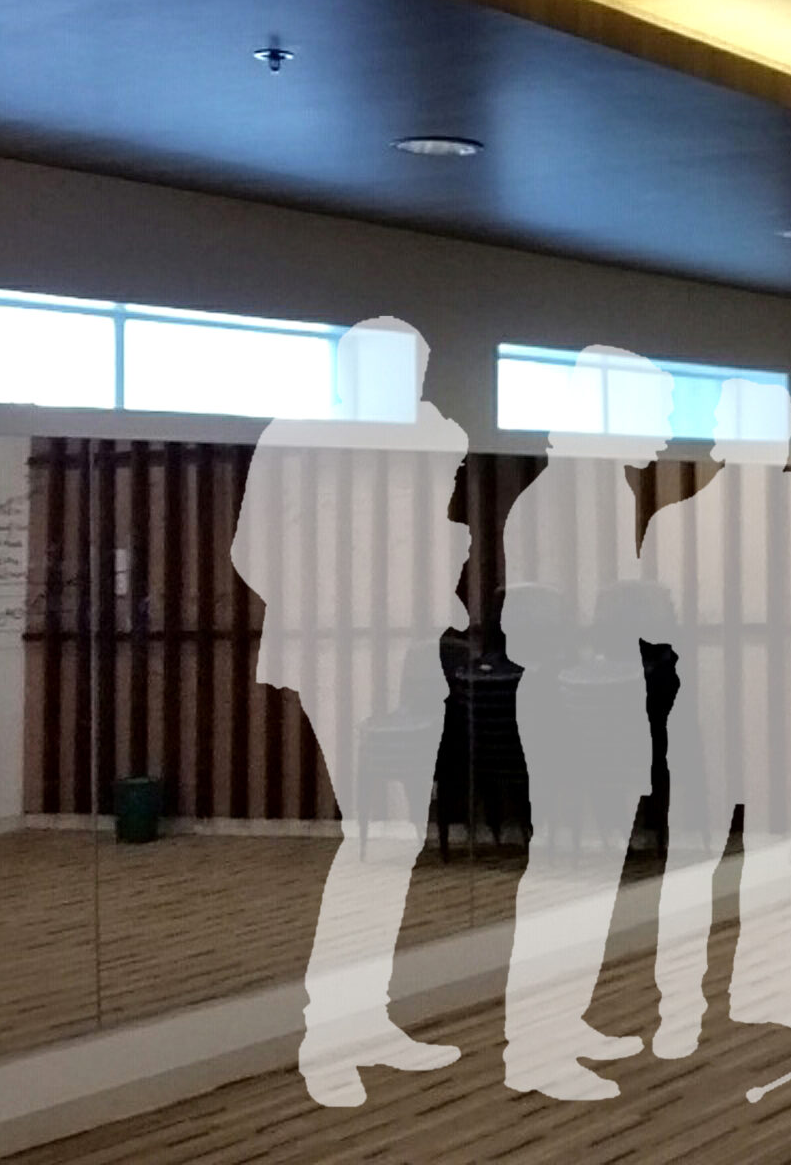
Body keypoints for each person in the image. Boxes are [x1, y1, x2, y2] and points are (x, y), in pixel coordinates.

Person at [231, 316, 471, 1108]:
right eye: (397, 371)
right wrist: (345, 600)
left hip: (411, 653)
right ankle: (328, 1033)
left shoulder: (431, 438)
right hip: (340, 652)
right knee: (378, 835)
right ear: (352, 372)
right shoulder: (296, 436)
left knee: (398, 837)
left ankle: (363, 1017)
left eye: (418, 370)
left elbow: (424, 536)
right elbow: (253, 551)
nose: (412, 386)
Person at [643, 378, 791, 1058]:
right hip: (709, 710)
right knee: (694, 863)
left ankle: (774, 991)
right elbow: (654, 622)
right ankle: (679, 1008)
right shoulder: (676, 524)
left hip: (785, 715)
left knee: (780, 857)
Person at [498, 346, 676, 1100]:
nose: (663, 433)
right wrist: (606, 619)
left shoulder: (613, 494)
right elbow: (523, 630)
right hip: (567, 704)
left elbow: (622, 608)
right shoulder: (549, 502)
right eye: (653, 415)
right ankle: (533, 1048)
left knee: (597, 870)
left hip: (612, 698)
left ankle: (562, 1018)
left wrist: (648, 610)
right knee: (564, 871)